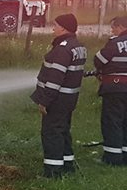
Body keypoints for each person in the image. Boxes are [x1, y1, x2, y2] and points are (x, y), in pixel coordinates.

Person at [30, 13, 86, 178]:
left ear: (63, 27)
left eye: (55, 24)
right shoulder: (77, 46)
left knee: (52, 132)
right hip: (69, 99)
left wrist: (44, 101)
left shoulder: (62, 49)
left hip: (57, 99)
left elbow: (55, 79)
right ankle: (67, 164)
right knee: (63, 130)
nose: (53, 27)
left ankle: (53, 172)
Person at [93, 15, 127, 165]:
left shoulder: (115, 43)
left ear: (121, 27)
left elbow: (99, 60)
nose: (112, 30)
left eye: (113, 27)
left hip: (115, 88)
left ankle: (112, 158)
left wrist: (101, 71)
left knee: (112, 121)